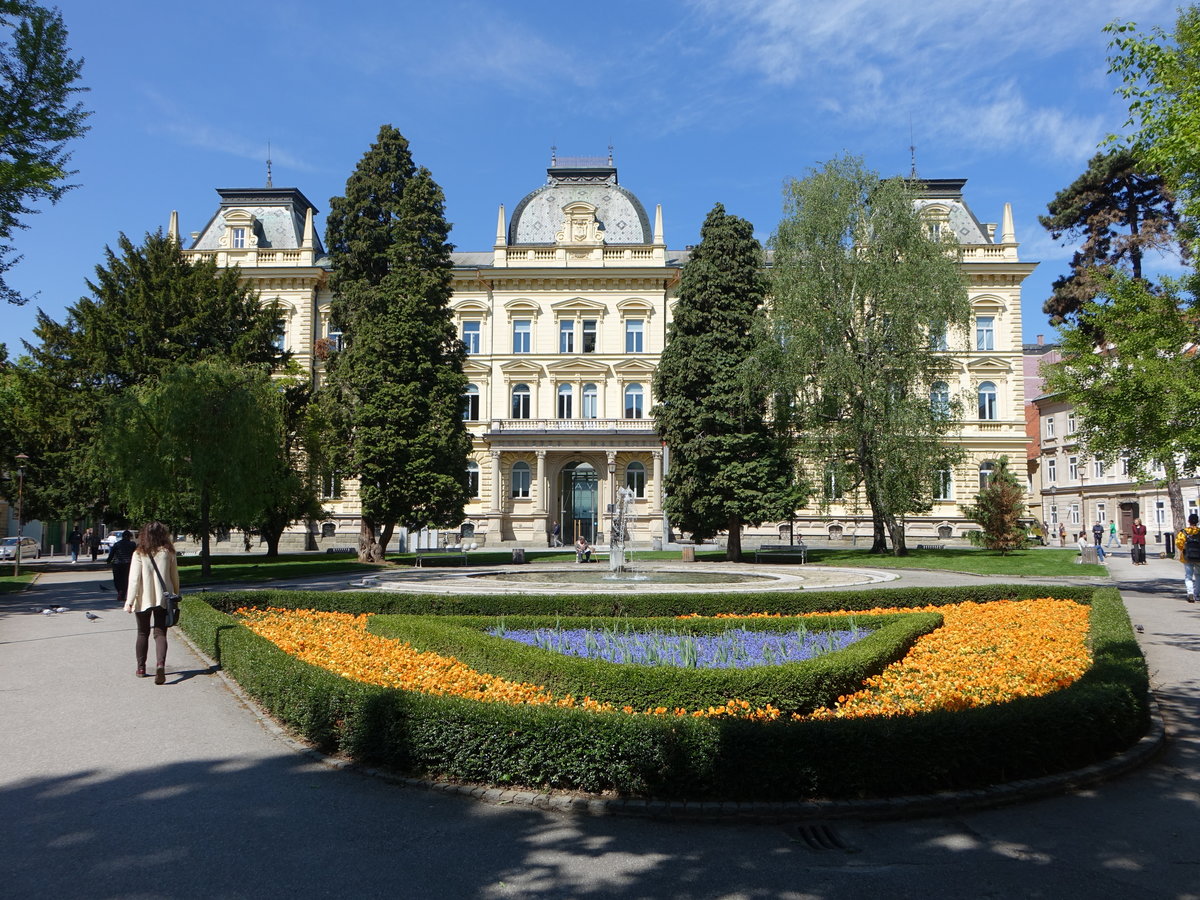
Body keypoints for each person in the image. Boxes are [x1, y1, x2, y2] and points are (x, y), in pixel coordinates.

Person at [123, 522, 180, 683]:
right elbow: (174, 575)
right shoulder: (168, 552)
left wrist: (129, 601)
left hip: (143, 598)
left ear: (144, 535)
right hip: (163, 597)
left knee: (142, 632)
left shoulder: (139, 553)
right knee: (160, 632)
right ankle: (160, 664)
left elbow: (134, 579)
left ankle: (141, 668)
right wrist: (176, 593)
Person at [106, 530, 136, 604]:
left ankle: (120, 591)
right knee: (126, 579)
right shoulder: (132, 544)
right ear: (129, 537)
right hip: (128, 563)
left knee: (117, 579)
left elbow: (112, 554)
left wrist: (108, 560)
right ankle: (123, 593)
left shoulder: (117, 544)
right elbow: (136, 554)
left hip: (117, 563)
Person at [1175, 513, 1200, 603]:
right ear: (1197, 521)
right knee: (1198, 576)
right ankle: (1197, 594)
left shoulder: (1184, 532)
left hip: (1187, 557)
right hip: (1199, 558)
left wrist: (1184, 548)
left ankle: (1190, 593)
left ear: (1188, 521)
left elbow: (1179, 543)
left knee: (1188, 576)